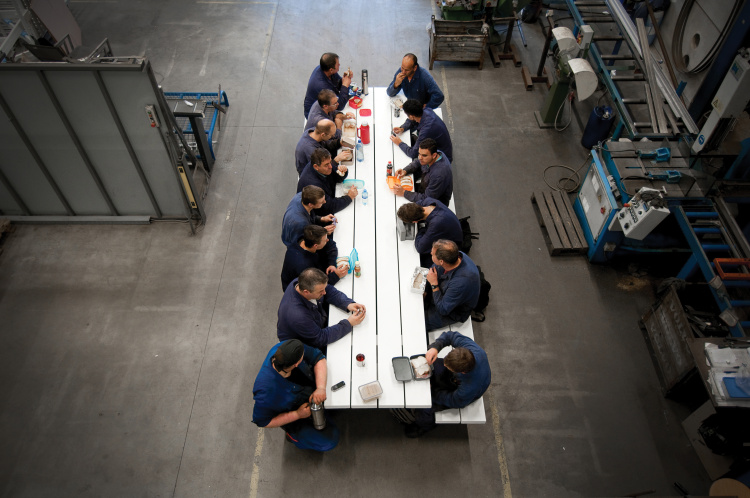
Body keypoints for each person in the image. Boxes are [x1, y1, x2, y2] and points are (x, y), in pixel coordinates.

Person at [252, 339, 340, 451]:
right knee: (330, 440)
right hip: (297, 415)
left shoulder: (286, 348)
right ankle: (294, 438)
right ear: (297, 363)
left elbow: (318, 357)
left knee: (337, 405)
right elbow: (263, 422)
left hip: (310, 392)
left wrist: (321, 388)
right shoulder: (265, 392)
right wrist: (297, 414)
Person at [404, 331, 491, 438]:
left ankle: (424, 426)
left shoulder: (469, 388)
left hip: (461, 397)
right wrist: (435, 347)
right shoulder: (471, 350)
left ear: (461, 372)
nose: (444, 364)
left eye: (448, 366)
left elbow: (454, 401)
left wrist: (431, 393)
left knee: (425, 406)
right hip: (459, 377)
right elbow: (451, 336)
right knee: (430, 364)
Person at [277, 268, 366, 351]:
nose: (324, 292)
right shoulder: (298, 315)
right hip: (300, 346)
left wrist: (348, 304)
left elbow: (329, 290)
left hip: (313, 324)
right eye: (321, 291)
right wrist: (349, 323)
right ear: (306, 292)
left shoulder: (302, 283)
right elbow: (320, 338)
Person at [423, 240, 480, 331]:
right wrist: (426, 290)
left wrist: (434, 285)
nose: (430, 253)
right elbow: (433, 269)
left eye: (432, 254)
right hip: (446, 291)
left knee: (420, 321)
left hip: (453, 312)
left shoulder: (461, 283)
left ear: (441, 261)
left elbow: (443, 309)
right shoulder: (455, 256)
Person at [397, 198, 462, 266]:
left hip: (452, 245)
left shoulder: (436, 223)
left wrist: (421, 229)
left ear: (415, 221)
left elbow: (420, 247)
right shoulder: (427, 201)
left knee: (424, 260)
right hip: (449, 228)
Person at [281, 225, 346, 291]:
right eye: (325, 240)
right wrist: (336, 275)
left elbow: (331, 245)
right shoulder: (304, 266)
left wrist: (331, 264)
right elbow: (317, 286)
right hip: (302, 288)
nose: (327, 240)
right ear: (316, 246)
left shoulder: (306, 239)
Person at [392, 138, 453, 206]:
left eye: (424, 155)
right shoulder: (434, 153)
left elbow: (427, 198)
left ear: (434, 155)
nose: (420, 157)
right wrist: (405, 170)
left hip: (434, 203)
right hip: (426, 188)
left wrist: (404, 193)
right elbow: (418, 162)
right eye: (419, 154)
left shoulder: (438, 175)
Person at [297, 149, 357, 216]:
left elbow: (336, 178)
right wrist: (349, 197)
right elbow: (329, 206)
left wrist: (342, 173)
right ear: (316, 166)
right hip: (318, 215)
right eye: (326, 165)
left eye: (330, 162)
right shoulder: (314, 185)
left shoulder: (321, 167)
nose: (331, 166)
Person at [303, 52, 352, 118]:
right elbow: (338, 106)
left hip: (327, 103)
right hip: (316, 114)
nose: (339, 64)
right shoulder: (321, 86)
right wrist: (345, 86)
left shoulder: (325, 68)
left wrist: (345, 79)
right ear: (331, 70)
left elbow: (338, 84)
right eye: (338, 65)